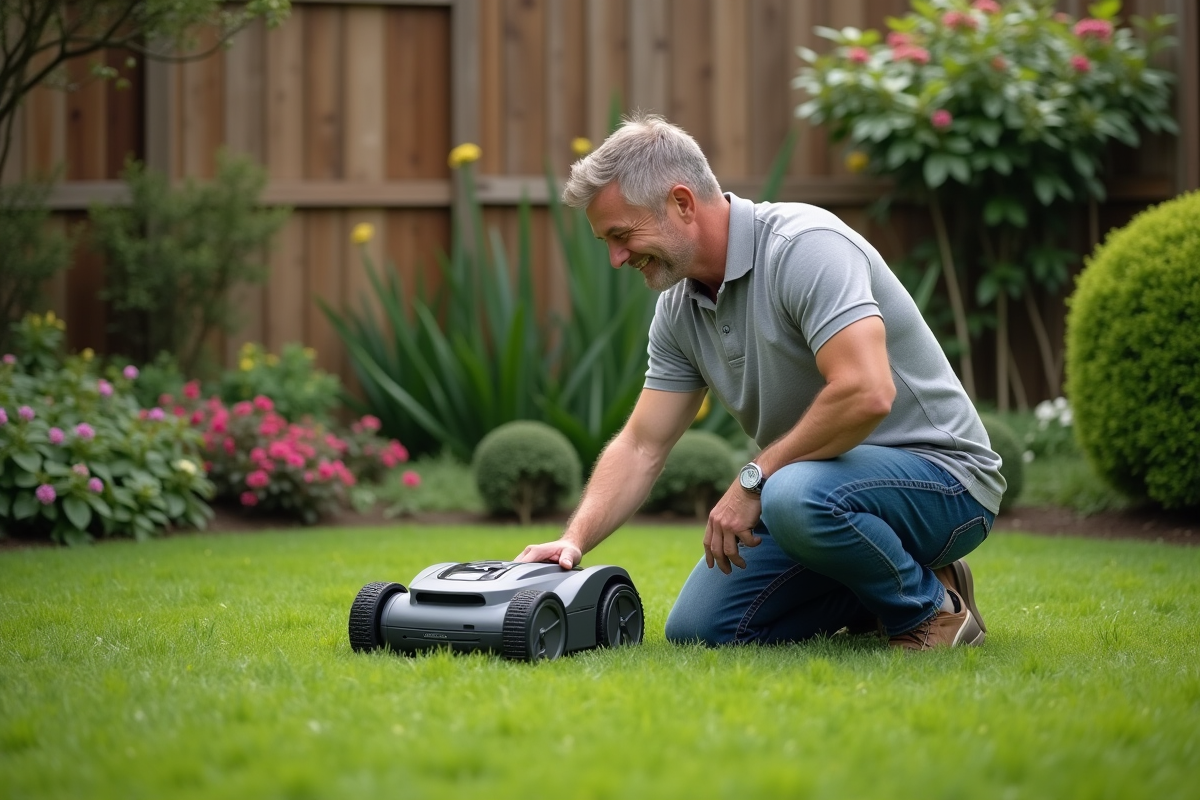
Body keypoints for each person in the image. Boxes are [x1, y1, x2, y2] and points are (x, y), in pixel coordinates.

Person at [515, 113, 1004, 651]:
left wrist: (754, 478)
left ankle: (931, 611)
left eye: (622, 235)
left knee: (789, 494)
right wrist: (573, 541)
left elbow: (866, 392)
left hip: (944, 480)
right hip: (820, 489)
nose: (616, 258)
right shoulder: (679, 309)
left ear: (682, 203)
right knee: (703, 629)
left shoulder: (804, 246)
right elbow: (642, 444)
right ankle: (896, 574)